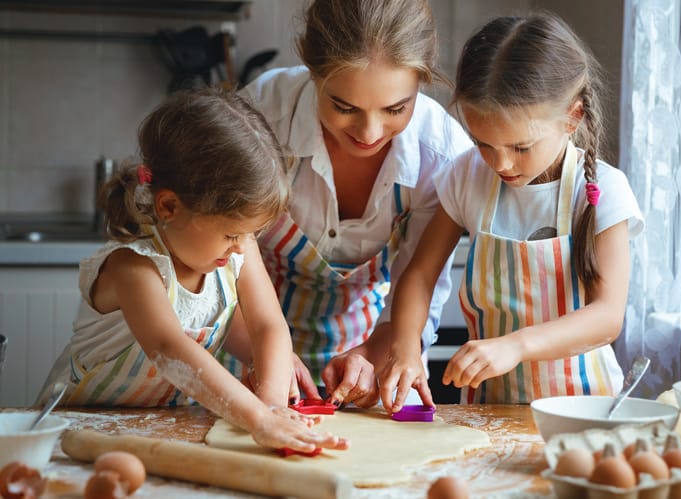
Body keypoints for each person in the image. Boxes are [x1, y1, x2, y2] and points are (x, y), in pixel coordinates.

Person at [36, 87, 348, 454]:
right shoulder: (133, 268)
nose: (242, 245)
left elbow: (269, 326)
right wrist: (260, 420)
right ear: (169, 206)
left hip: (158, 431)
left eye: (251, 233)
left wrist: (273, 402)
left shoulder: (234, 251)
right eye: (232, 233)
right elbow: (171, 349)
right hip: (72, 433)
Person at [380, 13, 644, 409]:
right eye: (484, 143)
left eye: (520, 147)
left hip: (582, 409)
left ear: (572, 117)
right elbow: (419, 277)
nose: (500, 164)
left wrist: (517, 346)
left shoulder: (602, 191)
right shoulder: (467, 176)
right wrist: (405, 351)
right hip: (490, 405)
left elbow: (607, 316)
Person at [233, 0, 473, 407]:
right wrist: (266, 352)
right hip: (242, 340)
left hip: (368, 341)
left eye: (396, 108)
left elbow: (417, 286)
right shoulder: (261, 116)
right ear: (313, 73)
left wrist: (370, 356)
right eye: (344, 107)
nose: (369, 132)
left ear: (422, 82)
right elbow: (224, 254)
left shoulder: (443, 155)